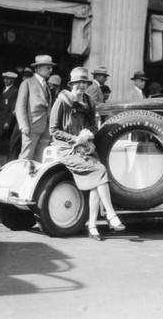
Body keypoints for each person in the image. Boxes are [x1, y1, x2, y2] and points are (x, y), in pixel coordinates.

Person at [49, 67, 125, 241]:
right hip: (66, 149)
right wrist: (76, 138)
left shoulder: (89, 102)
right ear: (72, 84)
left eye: (84, 82)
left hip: (85, 147)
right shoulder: (61, 101)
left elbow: (93, 126)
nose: (81, 86)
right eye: (78, 83)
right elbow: (53, 130)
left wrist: (89, 134)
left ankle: (92, 226)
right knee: (99, 170)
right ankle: (111, 214)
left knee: (96, 182)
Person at [15, 55, 55, 162]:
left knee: (40, 158)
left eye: (51, 68)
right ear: (38, 68)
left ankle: (34, 178)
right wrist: (23, 125)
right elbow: (20, 106)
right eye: (48, 68)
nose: (50, 70)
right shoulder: (27, 83)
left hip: (45, 127)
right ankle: (21, 177)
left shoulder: (46, 85)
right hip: (31, 126)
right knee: (26, 156)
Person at [8, 67, 33, 161]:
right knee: (14, 141)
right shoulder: (22, 86)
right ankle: (11, 161)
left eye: (28, 76)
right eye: (24, 76)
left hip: (28, 117)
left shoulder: (32, 87)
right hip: (21, 117)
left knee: (21, 142)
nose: (26, 78)